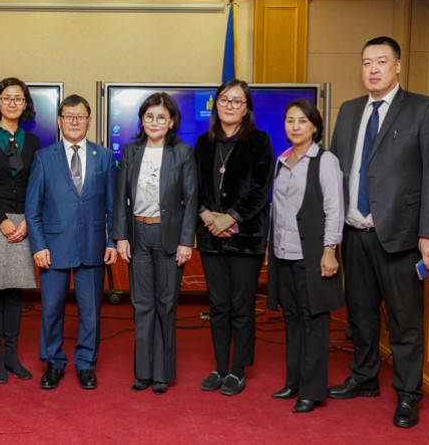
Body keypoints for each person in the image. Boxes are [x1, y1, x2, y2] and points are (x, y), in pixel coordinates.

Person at [328, 36, 429, 428]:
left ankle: (408, 392)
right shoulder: (349, 110)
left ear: (397, 66)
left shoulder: (423, 108)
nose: (373, 69)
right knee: (361, 313)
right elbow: (335, 173)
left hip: (400, 235)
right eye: (366, 62)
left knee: (404, 320)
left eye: (381, 61)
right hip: (355, 233)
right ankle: (364, 377)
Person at [26, 94, 117, 390]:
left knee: (90, 312)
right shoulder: (44, 158)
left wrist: (113, 242)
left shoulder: (104, 157)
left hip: (93, 245)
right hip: (53, 247)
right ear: (59, 121)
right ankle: (53, 362)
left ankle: (86, 363)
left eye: (80, 117)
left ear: (89, 121)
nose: (74, 122)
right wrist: (38, 245)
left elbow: (113, 205)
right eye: (68, 116)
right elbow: (32, 208)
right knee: (51, 309)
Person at [113, 92, 197, 395]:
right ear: (142, 120)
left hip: (169, 236)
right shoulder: (131, 151)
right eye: (149, 116)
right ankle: (143, 371)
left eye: (161, 117)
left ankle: (162, 373)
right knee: (141, 304)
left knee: (166, 304)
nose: (155, 122)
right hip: (137, 234)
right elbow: (120, 197)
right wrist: (120, 236)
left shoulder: (182, 152)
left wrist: (187, 241)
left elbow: (191, 198)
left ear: (171, 121)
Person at [194, 79, 274, 396]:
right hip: (211, 237)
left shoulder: (259, 141)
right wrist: (206, 215)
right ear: (216, 105)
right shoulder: (203, 142)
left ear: (246, 108)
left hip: (245, 236)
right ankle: (220, 367)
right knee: (218, 306)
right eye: (224, 100)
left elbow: (260, 189)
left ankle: (238, 370)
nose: (230, 106)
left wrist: (231, 217)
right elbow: (195, 186)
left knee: (241, 306)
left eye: (237, 101)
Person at [266, 99, 344, 413]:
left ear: (314, 126)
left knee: (314, 322)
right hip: (283, 253)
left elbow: (334, 209)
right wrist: (271, 250)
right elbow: (277, 210)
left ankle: (312, 391)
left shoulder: (325, 160)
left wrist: (330, 251)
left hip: (312, 255)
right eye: (290, 120)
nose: (295, 126)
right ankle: (294, 382)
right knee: (292, 320)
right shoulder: (282, 160)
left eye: (302, 121)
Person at [0, 77, 41, 384]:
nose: (13, 103)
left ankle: (12, 354)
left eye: (18, 98)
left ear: (25, 104)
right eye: (7, 98)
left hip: (24, 221)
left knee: (15, 290)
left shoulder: (34, 142)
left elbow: (36, 185)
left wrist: (27, 221)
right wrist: (1, 220)